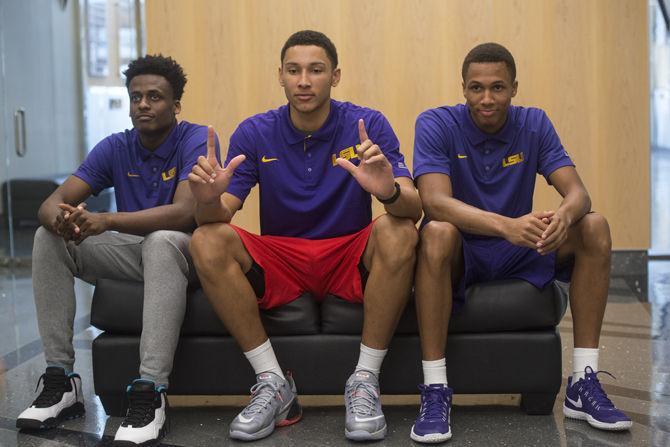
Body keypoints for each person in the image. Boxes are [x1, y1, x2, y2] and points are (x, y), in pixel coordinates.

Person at [188, 30, 422, 442]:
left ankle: (365, 380)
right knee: (205, 238)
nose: (304, 81)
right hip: (282, 258)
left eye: (316, 70)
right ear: (280, 75)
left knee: (398, 230)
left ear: (335, 76)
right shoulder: (255, 132)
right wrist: (207, 200)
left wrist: (387, 190)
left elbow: (414, 208)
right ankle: (273, 383)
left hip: (348, 252)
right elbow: (220, 213)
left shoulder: (367, 125)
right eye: (294, 71)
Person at [410, 42, 632, 443]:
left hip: (520, 247)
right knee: (436, 232)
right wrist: (506, 226)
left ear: (514, 87)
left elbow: (578, 193)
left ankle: (582, 383)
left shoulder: (534, 123)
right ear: (463, 88)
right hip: (466, 247)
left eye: (497, 87)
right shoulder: (436, 123)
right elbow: (434, 202)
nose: (487, 98)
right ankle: (435, 388)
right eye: (476, 88)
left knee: (594, 225)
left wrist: (564, 216)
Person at [16, 54, 215, 445]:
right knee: (46, 238)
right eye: (136, 97)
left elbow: (183, 213)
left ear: (175, 106)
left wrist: (106, 221)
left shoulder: (194, 138)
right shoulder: (115, 146)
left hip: (186, 251)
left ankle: (151, 391)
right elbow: (52, 200)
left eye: (155, 97)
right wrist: (61, 219)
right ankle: (61, 380)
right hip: (132, 254)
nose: (143, 104)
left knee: (159, 241)